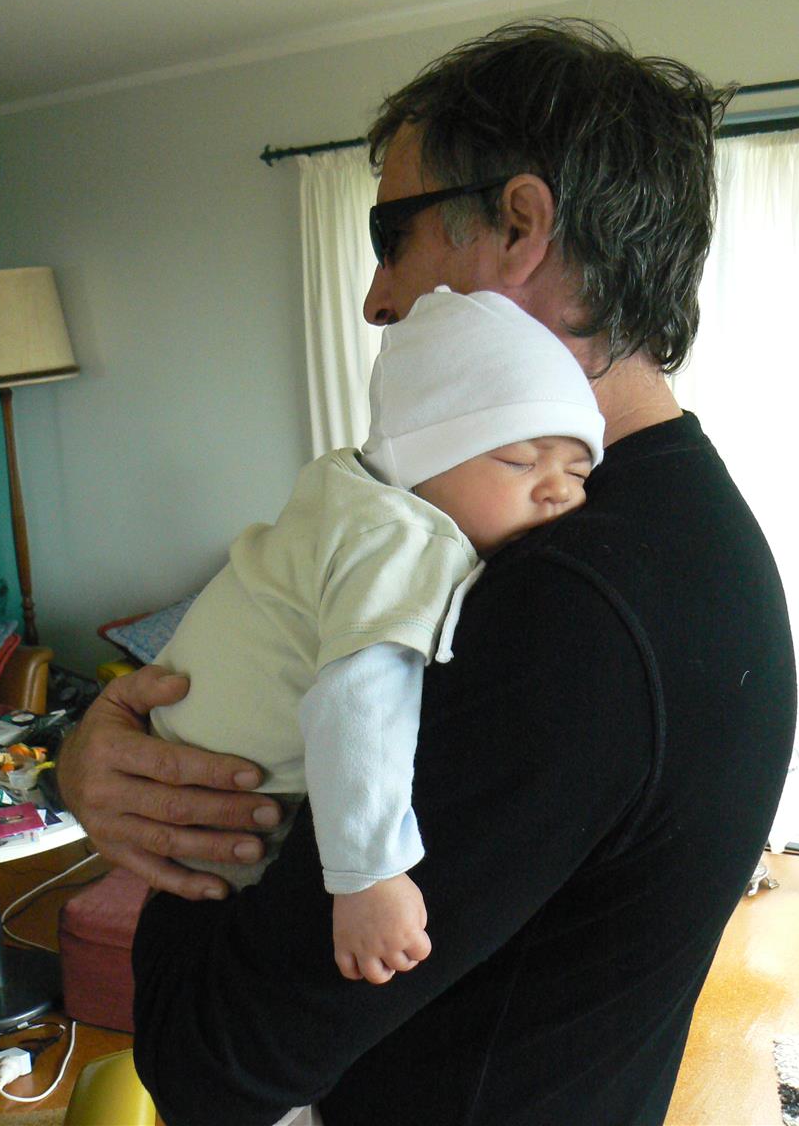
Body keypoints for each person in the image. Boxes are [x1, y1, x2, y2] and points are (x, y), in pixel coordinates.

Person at [57, 19, 796, 1126]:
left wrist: (169, 845)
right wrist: (115, 761)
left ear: (520, 225)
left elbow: (214, 1058)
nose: (375, 298)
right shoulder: (672, 526)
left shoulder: (571, 606)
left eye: (389, 235)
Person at [147, 285, 604, 985]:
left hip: (186, 766)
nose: (558, 490)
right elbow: (358, 703)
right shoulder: (407, 540)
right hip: (231, 819)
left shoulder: (345, 495)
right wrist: (368, 875)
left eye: (578, 471)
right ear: (423, 459)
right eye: (520, 460)